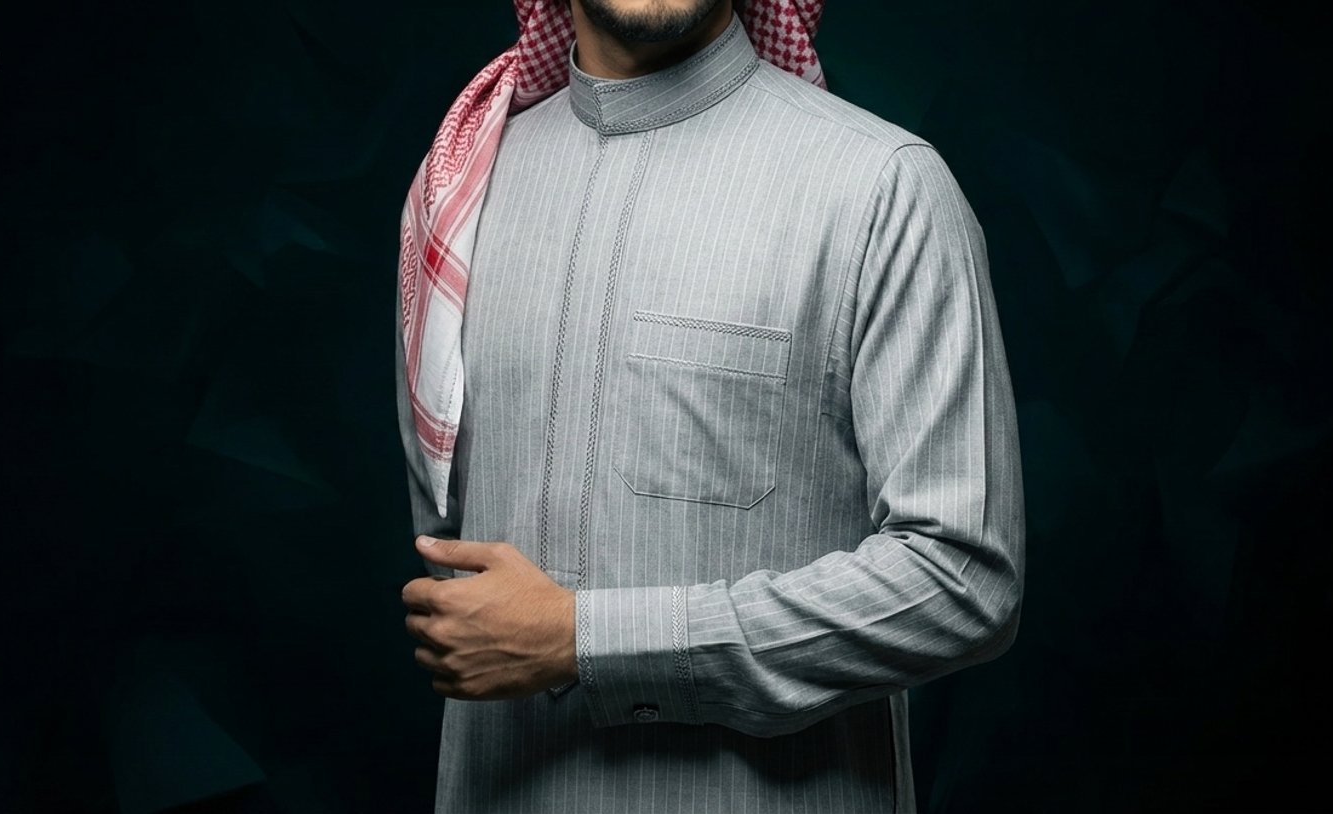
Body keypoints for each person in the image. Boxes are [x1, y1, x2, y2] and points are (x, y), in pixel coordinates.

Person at [394, 1, 1025, 810]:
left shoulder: (879, 188)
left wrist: (586, 642)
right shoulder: (459, 193)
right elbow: (448, 553)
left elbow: (963, 580)